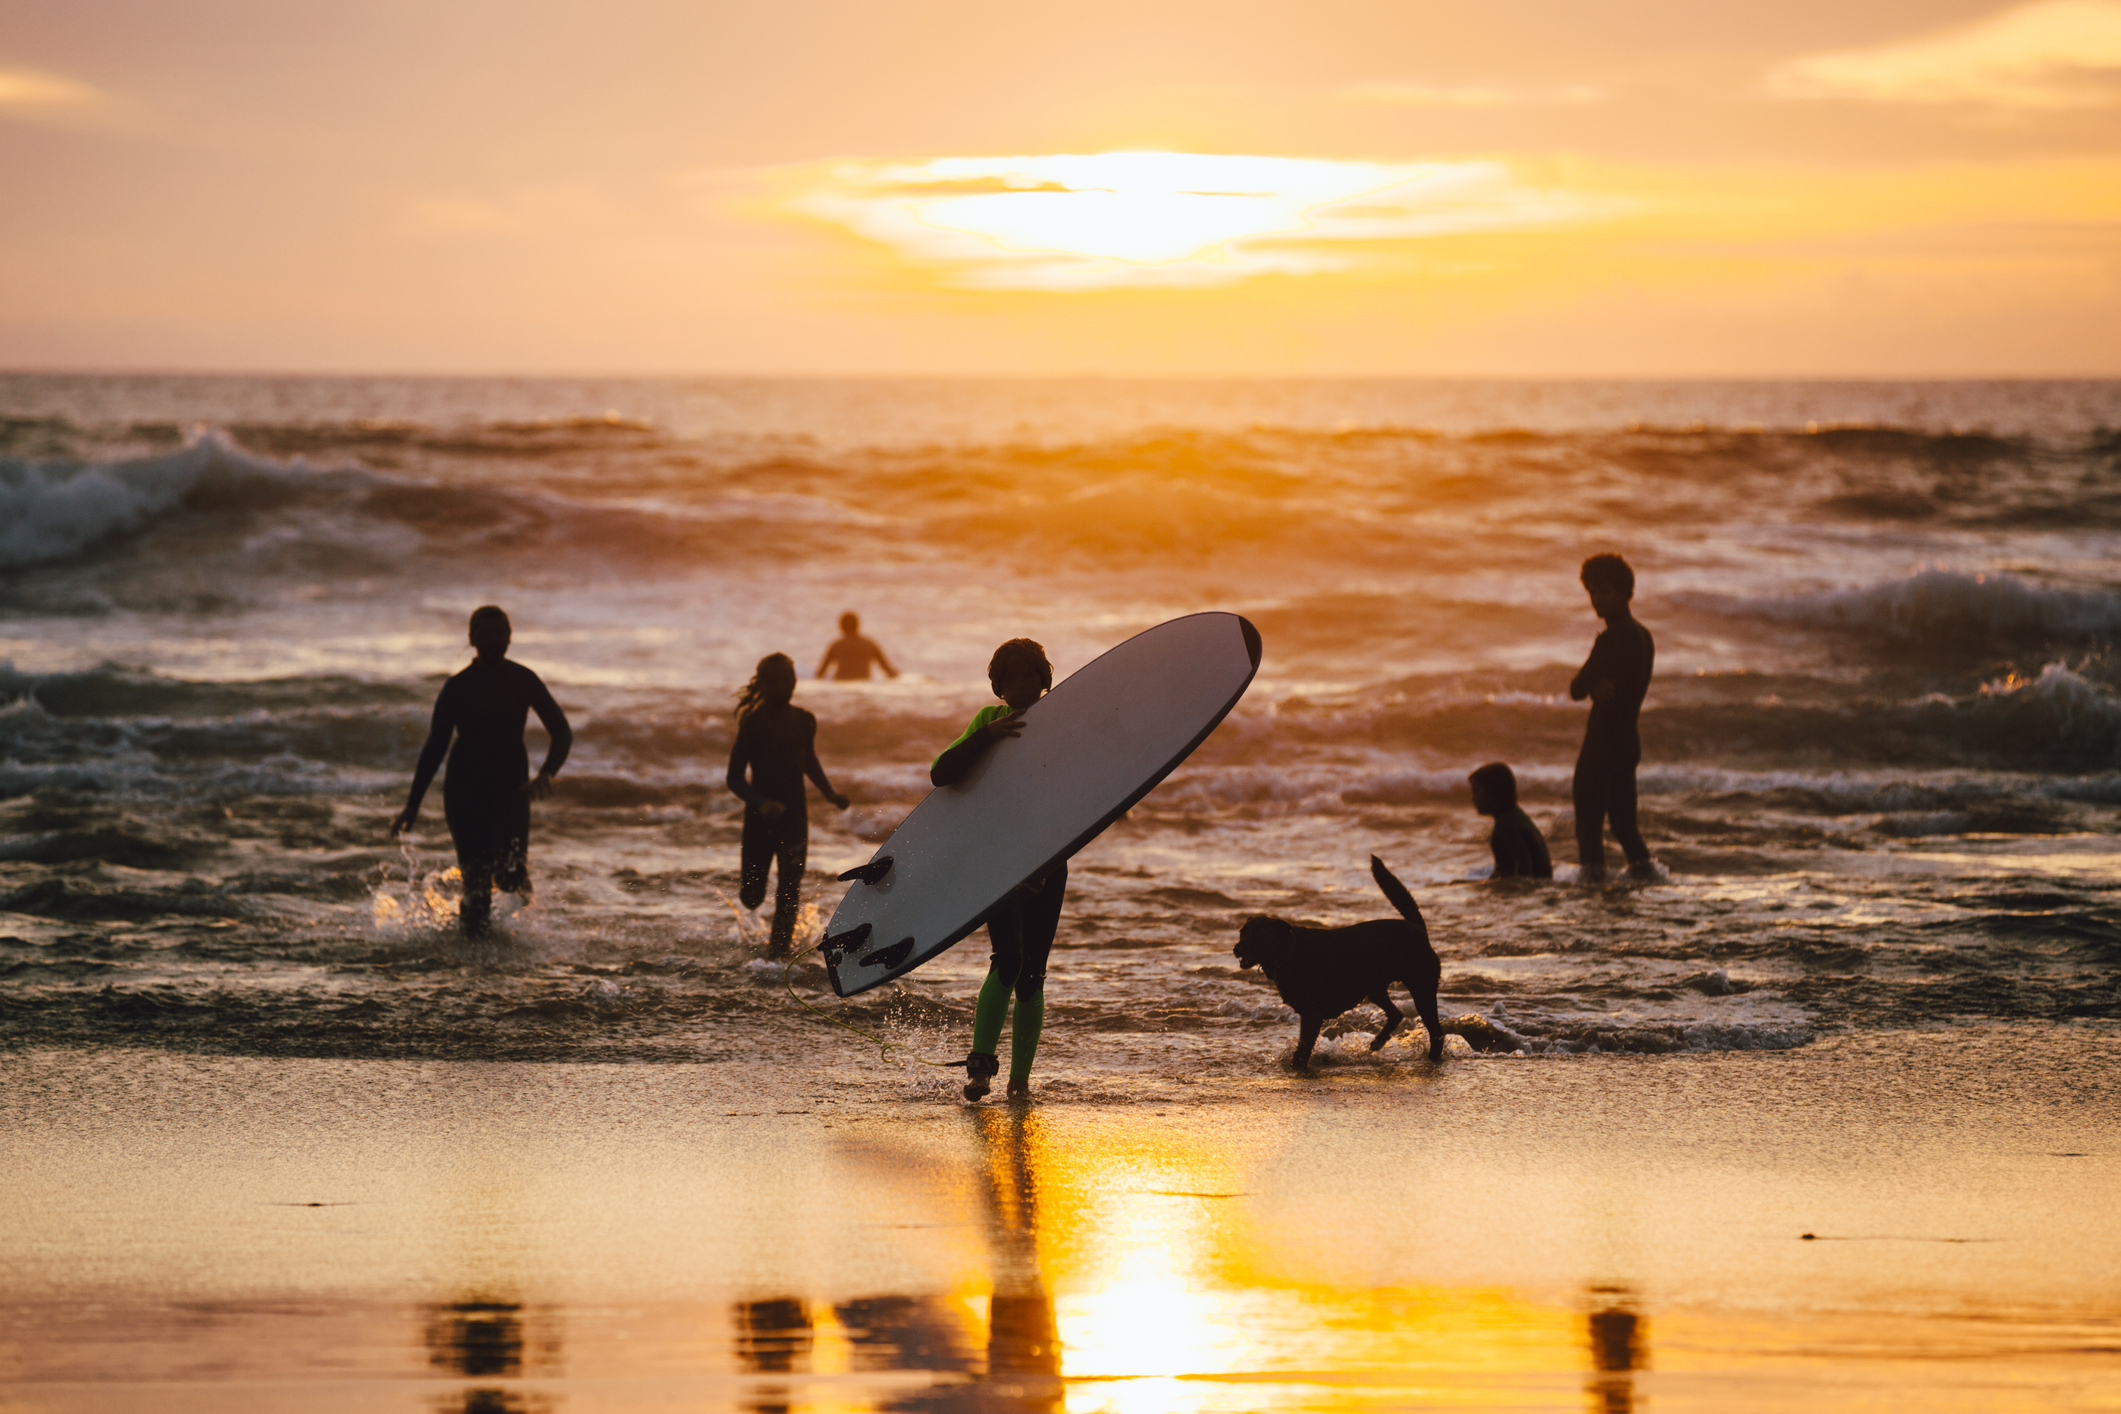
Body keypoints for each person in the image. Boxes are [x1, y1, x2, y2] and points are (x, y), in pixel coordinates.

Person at [932, 639, 1061, 1103]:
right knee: (1008, 959)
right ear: (998, 687)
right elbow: (941, 772)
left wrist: (1045, 864)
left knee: (1033, 974)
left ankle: (1020, 1082)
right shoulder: (988, 722)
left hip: (1049, 859)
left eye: (1031, 676)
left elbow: (1084, 797)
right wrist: (988, 736)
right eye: (1012, 679)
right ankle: (979, 1069)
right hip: (998, 861)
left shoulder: (1064, 720)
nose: (1023, 686)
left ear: (1045, 679)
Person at [392, 606, 572, 937]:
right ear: (472, 639)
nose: (493, 640)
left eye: (499, 633)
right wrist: (412, 805)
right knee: (476, 885)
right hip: (464, 791)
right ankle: (474, 956)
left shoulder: (523, 679)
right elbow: (435, 747)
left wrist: (547, 773)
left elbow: (561, 730)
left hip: (511, 791)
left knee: (510, 876)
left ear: (510, 637)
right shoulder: (457, 687)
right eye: (485, 634)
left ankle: (501, 930)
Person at [726, 653, 850, 955]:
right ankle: (764, 926)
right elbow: (734, 778)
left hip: (795, 817)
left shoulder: (805, 721)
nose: (784, 687)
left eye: (789, 682)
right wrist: (761, 803)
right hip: (759, 820)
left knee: (790, 886)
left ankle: (777, 952)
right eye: (776, 682)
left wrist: (829, 793)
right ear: (763, 685)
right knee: (752, 895)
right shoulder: (752, 723)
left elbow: (810, 760)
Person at [1569, 554, 1656, 881]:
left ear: (1625, 593)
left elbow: (1576, 688)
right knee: (1624, 827)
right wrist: (1597, 686)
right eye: (1593, 591)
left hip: (1602, 743)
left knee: (1588, 827)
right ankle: (1649, 880)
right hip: (1628, 741)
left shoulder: (1609, 639)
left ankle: (1592, 894)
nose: (1597, 600)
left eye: (1606, 592)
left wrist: (1591, 685)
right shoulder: (1644, 636)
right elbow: (1624, 684)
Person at [1469, 762, 1553, 880]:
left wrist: (1519, 894)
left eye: (1476, 791)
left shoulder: (1505, 823)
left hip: (1529, 890)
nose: (1472, 798)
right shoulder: (1518, 816)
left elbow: (1524, 864)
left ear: (1492, 793)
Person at [817, 612, 899, 681]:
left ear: (841, 626)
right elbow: (889, 672)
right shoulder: (870, 644)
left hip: (840, 684)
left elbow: (820, 674)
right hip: (864, 684)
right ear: (858, 625)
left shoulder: (836, 645)